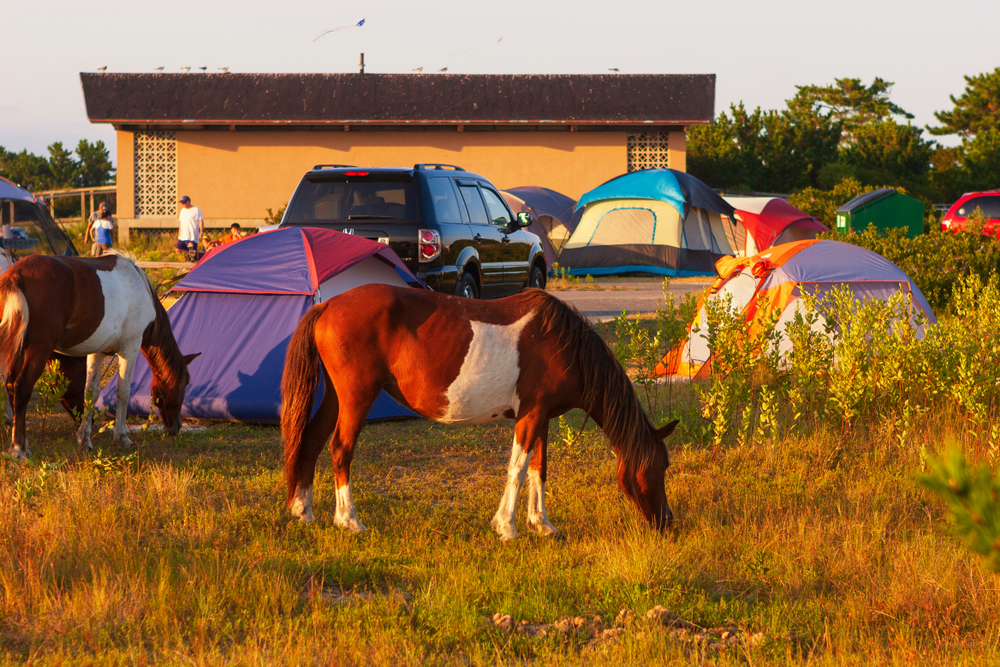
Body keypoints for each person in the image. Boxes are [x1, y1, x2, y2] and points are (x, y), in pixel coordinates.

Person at [176, 195, 203, 260]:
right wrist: (179, 233)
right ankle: (181, 262)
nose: (182, 204)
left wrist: (201, 233)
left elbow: (201, 222)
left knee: (192, 253)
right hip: (183, 236)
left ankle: (191, 265)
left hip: (192, 236)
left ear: (188, 202)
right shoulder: (182, 211)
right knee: (178, 250)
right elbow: (181, 222)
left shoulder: (196, 210)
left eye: (183, 203)